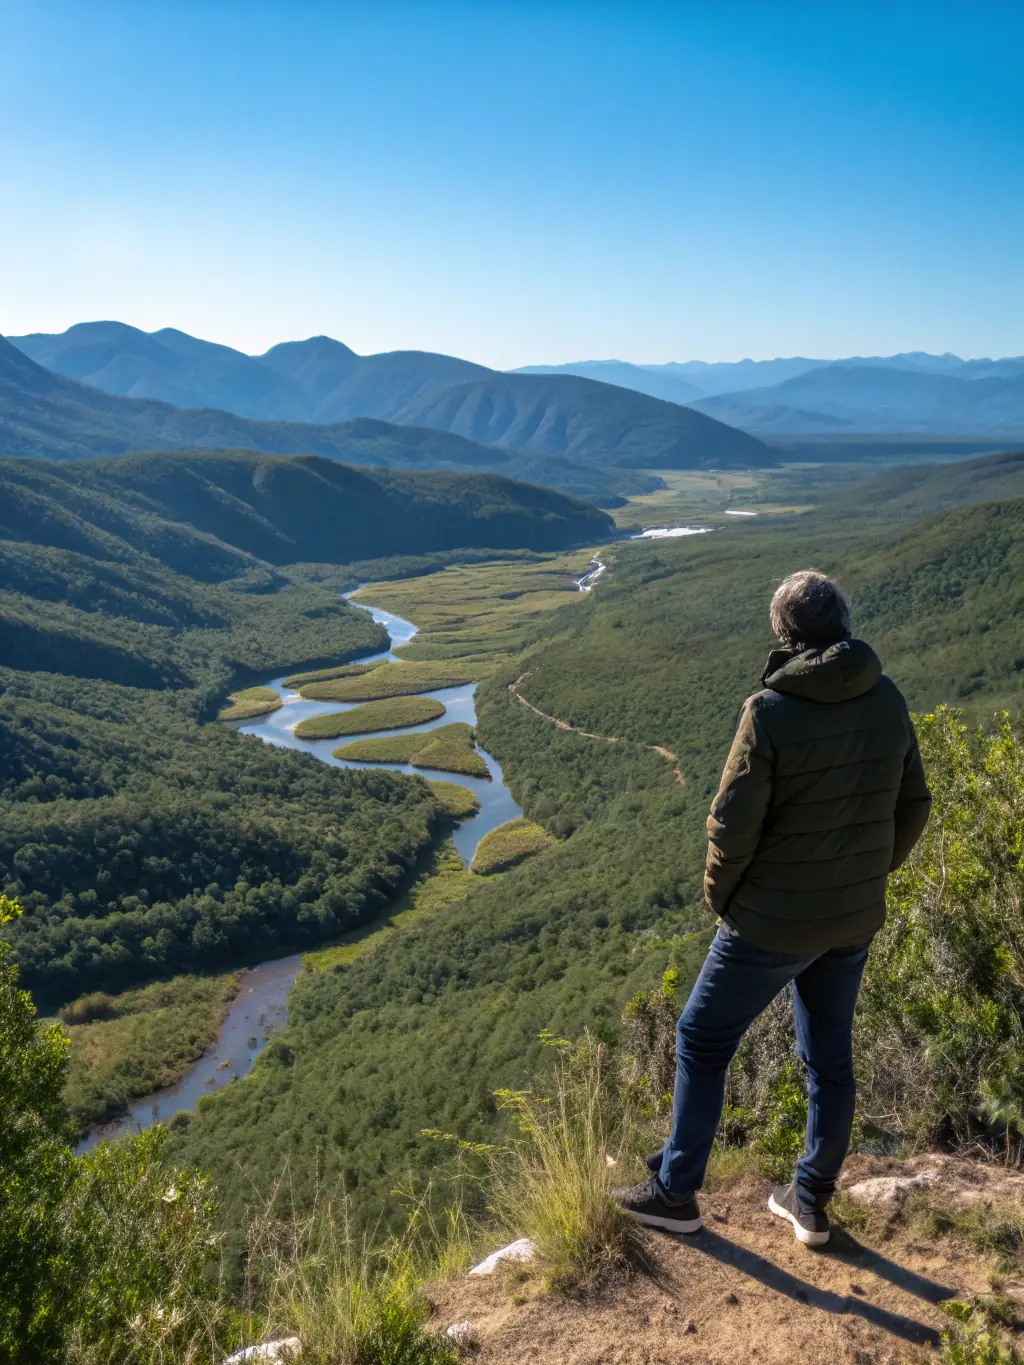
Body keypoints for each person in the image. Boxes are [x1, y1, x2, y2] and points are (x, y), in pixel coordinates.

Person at [613, 570, 932, 1246]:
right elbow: (914, 804)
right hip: (850, 918)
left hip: (771, 920)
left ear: (784, 635)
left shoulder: (770, 711)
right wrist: (870, 875)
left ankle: (676, 1191)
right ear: (843, 624)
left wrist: (721, 897)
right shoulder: (887, 697)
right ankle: (810, 1199)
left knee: (701, 1038)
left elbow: (731, 826)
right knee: (829, 1058)